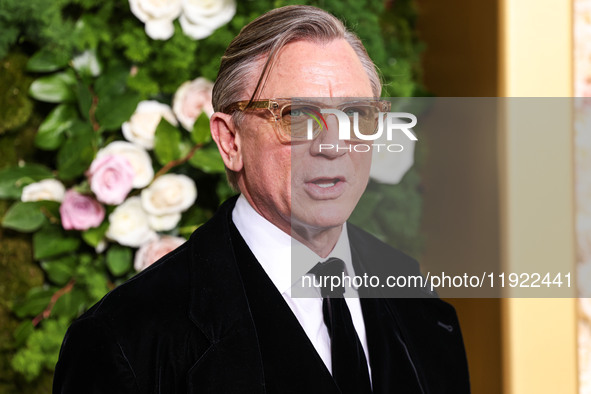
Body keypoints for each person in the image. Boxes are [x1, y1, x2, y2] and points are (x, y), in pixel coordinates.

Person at [53, 5, 470, 393]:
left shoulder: (416, 295)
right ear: (229, 140)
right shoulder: (124, 340)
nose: (333, 145)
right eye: (296, 115)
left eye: (356, 114)